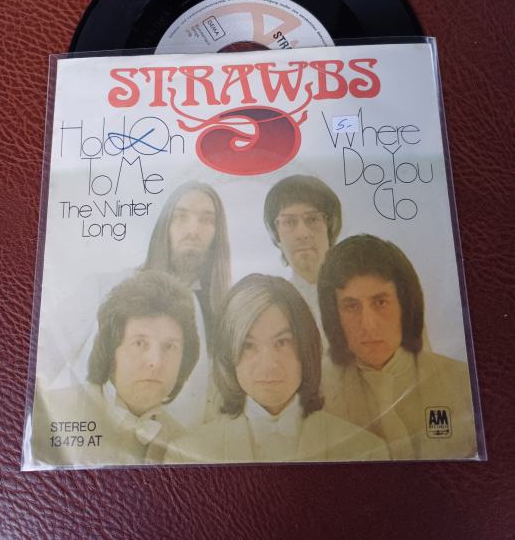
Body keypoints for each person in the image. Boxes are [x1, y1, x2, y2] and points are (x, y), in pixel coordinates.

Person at [165, 274, 389, 464]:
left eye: (282, 342)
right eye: (248, 345)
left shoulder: (366, 452)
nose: (268, 364)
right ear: (228, 356)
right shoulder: (186, 455)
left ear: (306, 348)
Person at [318, 234, 478, 460]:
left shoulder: (465, 383)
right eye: (351, 306)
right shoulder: (316, 394)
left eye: (380, 302)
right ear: (334, 315)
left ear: (406, 305)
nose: (368, 325)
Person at [30, 271, 199, 468]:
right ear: (110, 351)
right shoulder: (46, 416)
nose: (156, 362)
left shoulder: (187, 445)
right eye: (139, 343)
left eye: (170, 346)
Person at [142, 180, 231, 426]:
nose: (193, 230)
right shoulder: (107, 286)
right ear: (165, 226)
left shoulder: (228, 311)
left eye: (206, 220)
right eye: (181, 217)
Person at [263, 175, 342, 349]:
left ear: (330, 227)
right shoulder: (273, 305)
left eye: (312, 219)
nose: (302, 234)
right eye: (289, 222)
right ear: (277, 234)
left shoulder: (357, 295)